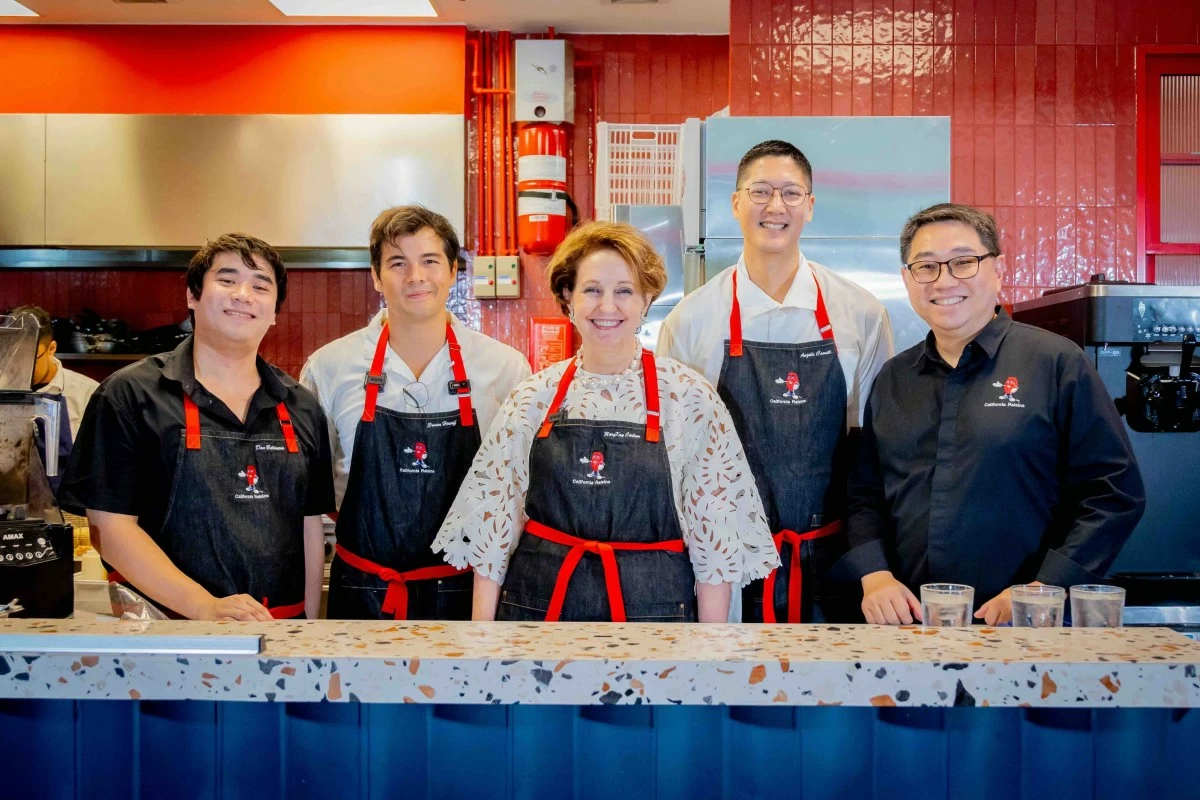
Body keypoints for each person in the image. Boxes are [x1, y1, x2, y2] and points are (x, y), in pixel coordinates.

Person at [433, 221, 778, 623]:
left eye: (624, 291)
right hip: (539, 616)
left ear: (647, 299)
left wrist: (707, 656)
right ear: (568, 298)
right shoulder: (532, 397)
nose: (607, 306)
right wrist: (483, 642)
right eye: (592, 290)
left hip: (656, 622)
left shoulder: (689, 397)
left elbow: (715, 548)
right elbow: (492, 538)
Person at [845, 203, 1146, 625]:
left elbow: (1114, 494)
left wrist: (1042, 588)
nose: (944, 280)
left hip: (1027, 623)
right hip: (909, 625)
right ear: (907, 279)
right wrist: (874, 575)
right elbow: (864, 495)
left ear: (998, 269)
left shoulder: (1056, 362)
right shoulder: (894, 377)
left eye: (964, 262)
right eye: (926, 266)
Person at [657, 139, 894, 624]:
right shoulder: (692, 319)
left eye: (790, 193)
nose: (775, 206)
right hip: (726, 567)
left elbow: (874, 448)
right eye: (760, 191)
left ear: (810, 205)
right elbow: (672, 455)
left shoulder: (861, 313)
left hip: (836, 561)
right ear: (736, 203)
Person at [60, 234, 335, 621]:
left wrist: (305, 630)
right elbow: (109, 526)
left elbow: (309, 526)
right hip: (164, 633)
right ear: (192, 295)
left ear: (275, 311)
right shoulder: (130, 395)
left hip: (278, 635)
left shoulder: (301, 407)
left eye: (260, 286)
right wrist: (203, 606)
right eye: (226, 280)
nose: (243, 294)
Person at [301, 206, 530, 620]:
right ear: (375, 276)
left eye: (429, 261)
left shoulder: (504, 368)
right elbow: (309, 500)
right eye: (397, 263)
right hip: (362, 594)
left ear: (454, 271)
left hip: (468, 596)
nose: (416, 276)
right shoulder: (328, 367)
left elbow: (518, 494)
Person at [9, 305, 98, 442]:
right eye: (15, 359)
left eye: (31, 360)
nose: (22, 368)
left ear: (51, 349)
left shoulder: (88, 394)